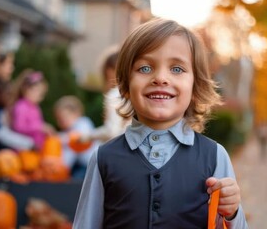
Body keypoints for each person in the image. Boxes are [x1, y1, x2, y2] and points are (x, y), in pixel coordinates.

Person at [73, 18, 248, 228]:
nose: (161, 78)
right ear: (126, 85)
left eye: (176, 69)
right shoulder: (104, 158)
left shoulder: (214, 156)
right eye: (145, 68)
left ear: (195, 86)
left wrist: (232, 213)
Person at [82, 49, 131, 144]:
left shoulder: (115, 94)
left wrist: (88, 136)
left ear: (109, 71)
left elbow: (112, 131)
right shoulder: (135, 93)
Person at [54, 95, 100, 180]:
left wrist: (60, 138)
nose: (61, 121)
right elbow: (69, 154)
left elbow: (77, 139)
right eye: (59, 119)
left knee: (77, 180)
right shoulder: (67, 131)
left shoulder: (83, 123)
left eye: (64, 117)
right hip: (79, 164)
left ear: (76, 113)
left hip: (90, 164)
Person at [9, 69, 55, 151]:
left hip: (36, 149)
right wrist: (40, 127)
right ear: (25, 89)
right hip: (24, 149)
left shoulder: (35, 107)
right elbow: (18, 126)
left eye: (41, 94)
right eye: (37, 92)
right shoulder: (21, 106)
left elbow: (39, 123)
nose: (40, 97)